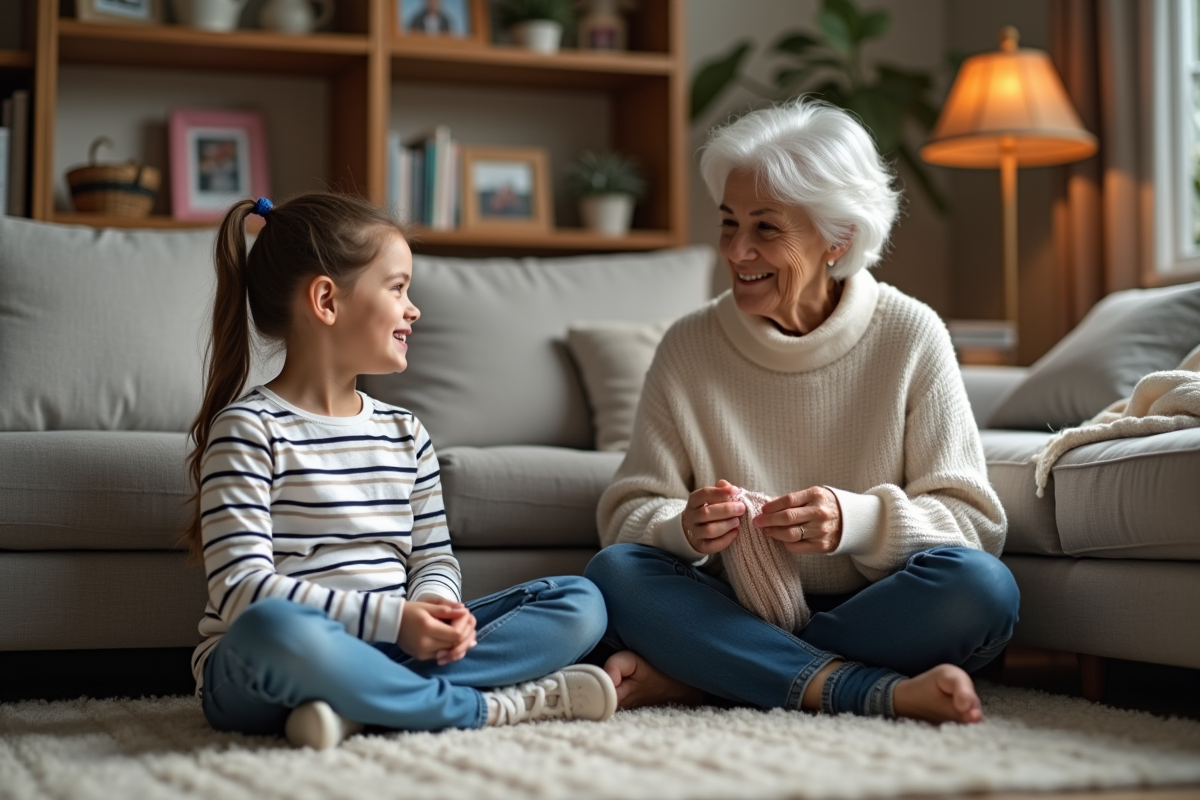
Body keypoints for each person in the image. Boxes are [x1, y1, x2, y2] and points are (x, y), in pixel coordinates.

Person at [584, 99, 1019, 725]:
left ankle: (714, 674)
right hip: (731, 605)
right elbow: (627, 513)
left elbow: (974, 522)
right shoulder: (687, 345)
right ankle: (859, 688)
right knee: (617, 573)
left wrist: (858, 522)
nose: (736, 250)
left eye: (766, 229)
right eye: (729, 223)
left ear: (839, 239)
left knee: (983, 589)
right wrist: (683, 528)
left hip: (877, 607)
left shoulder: (910, 333)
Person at [185, 192, 615, 750]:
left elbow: (433, 557)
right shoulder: (248, 428)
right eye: (397, 288)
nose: (414, 310)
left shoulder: (405, 432)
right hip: (267, 664)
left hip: (391, 649)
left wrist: (435, 604)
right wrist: (394, 620)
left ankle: (360, 704)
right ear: (326, 300)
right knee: (270, 628)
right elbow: (242, 592)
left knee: (580, 603)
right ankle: (476, 707)